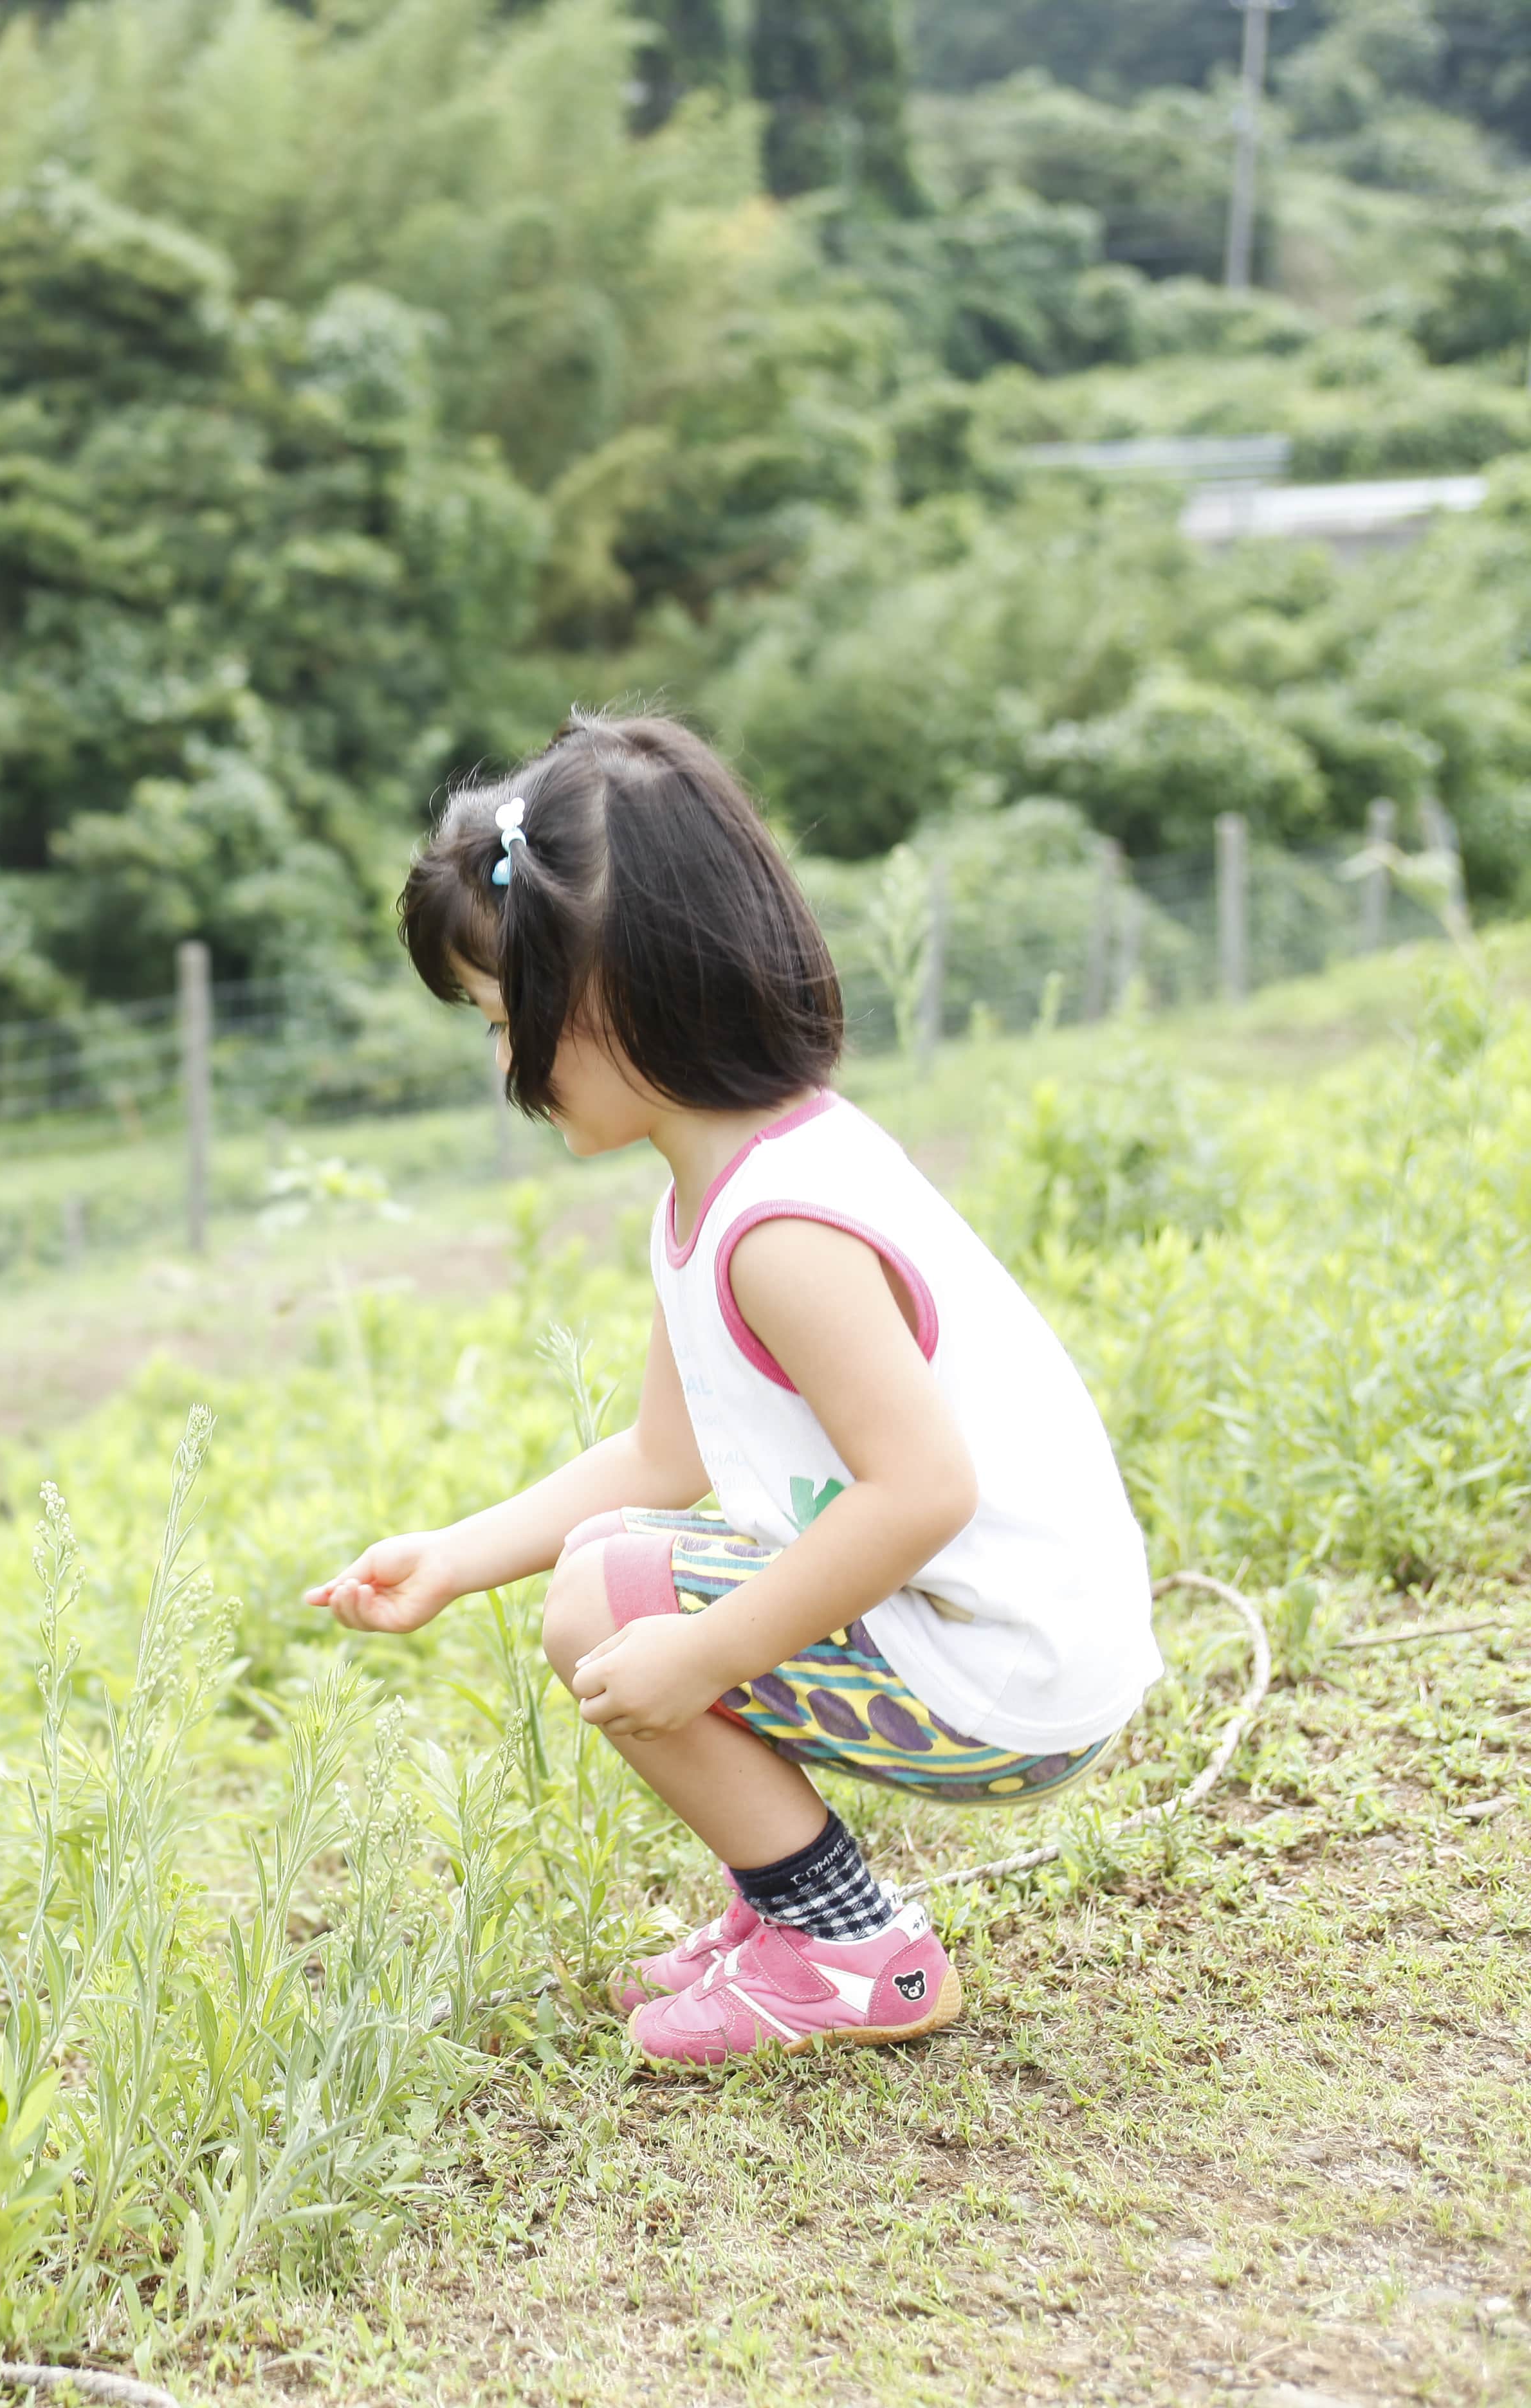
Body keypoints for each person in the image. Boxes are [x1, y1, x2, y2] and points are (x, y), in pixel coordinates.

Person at [307, 715, 1160, 2067]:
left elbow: (926, 1488)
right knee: (612, 1564)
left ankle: (852, 1950)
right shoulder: (731, 1184)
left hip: (1014, 1671)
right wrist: (453, 1560)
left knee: (613, 1602)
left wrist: (705, 1653)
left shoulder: (784, 1233)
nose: (501, 1066)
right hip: (993, 1636)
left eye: (498, 1019)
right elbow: (664, 1457)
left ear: (605, 995)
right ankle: (794, 1913)